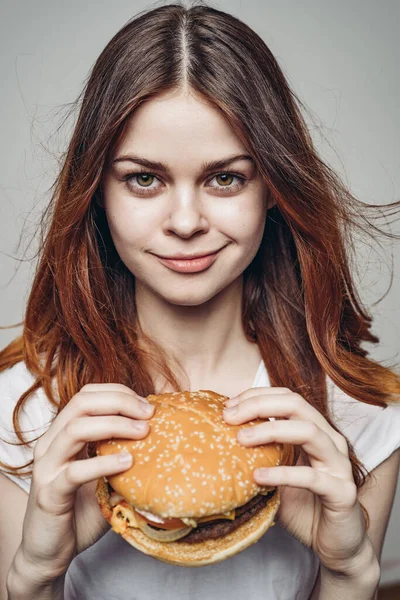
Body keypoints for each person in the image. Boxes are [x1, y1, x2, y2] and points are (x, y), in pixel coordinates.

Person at [1, 2, 399, 599]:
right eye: (144, 178)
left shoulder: (360, 413)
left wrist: (349, 573)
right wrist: (33, 575)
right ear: (97, 194)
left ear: (273, 188)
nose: (185, 221)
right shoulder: (20, 409)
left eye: (225, 178)